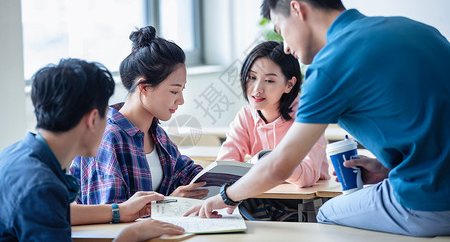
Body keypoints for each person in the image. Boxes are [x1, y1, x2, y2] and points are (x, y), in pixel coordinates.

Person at [185, 0, 450, 237]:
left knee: (326, 214)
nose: (285, 46)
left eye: (281, 29)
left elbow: (280, 165)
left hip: (428, 201)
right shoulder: (417, 30)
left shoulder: (329, 66)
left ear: (298, 11)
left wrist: (226, 197)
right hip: (432, 185)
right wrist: (387, 167)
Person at [0, 58, 184, 241]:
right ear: (93, 119)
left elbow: (62, 211)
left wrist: (120, 211)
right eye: (107, 115)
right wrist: (130, 236)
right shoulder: (42, 187)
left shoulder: (15, 155)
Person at [70, 26, 207, 205]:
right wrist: (170, 202)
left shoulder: (157, 134)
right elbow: (110, 214)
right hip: (122, 233)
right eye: (174, 91)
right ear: (144, 87)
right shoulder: (108, 137)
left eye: (182, 90)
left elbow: (186, 174)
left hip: (159, 231)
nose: (180, 100)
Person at [217, 41, 329, 221]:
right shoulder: (246, 116)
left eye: (269, 80)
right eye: (252, 77)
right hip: (262, 198)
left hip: (306, 205)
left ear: (289, 85)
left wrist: (270, 163)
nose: (257, 89)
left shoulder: (307, 116)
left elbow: (307, 176)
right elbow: (225, 165)